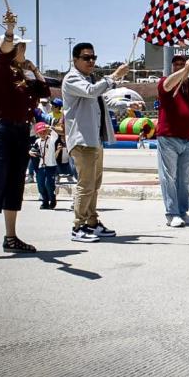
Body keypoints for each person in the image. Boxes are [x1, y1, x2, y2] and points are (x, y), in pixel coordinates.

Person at [0, 11, 50, 262]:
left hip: (20, 131)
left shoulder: (21, 76)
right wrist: (9, 30)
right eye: (20, 47)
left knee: (15, 183)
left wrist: (34, 69)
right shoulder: (0, 70)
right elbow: (2, 52)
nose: (23, 50)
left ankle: (11, 237)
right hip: (1, 130)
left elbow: (44, 91)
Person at [62, 42, 130, 242]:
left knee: (94, 184)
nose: (91, 61)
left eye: (93, 57)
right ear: (75, 60)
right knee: (85, 185)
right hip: (82, 140)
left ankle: (92, 222)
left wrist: (126, 103)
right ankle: (78, 226)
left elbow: (104, 99)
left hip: (95, 140)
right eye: (86, 58)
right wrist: (114, 75)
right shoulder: (72, 78)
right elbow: (92, 92)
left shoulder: (90, 79)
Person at [156, 55, 189, 226]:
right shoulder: (166, 82)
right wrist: (184, 70)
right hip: (168, 138)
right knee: (169, 177)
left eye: (182, 64)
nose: (179, 66)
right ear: (172, 67)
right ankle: (172, 214)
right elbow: (168, 85)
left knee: (184, 178)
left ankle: (183, 212)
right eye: (176, 64)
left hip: (188, 139)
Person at [30, 122, 59, 209]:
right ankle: (45, 201)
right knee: (41, 185)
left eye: (44, 132)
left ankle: (52, 200)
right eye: (40, 132)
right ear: (37, 134)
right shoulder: (37, 141)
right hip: (40, 166)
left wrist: (49, 127)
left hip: (51, 165)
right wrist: (30, 152)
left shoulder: (52, 139)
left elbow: (55, 133)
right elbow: (33, 150)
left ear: (46, 131)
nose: (42, 134)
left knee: (49, 184)